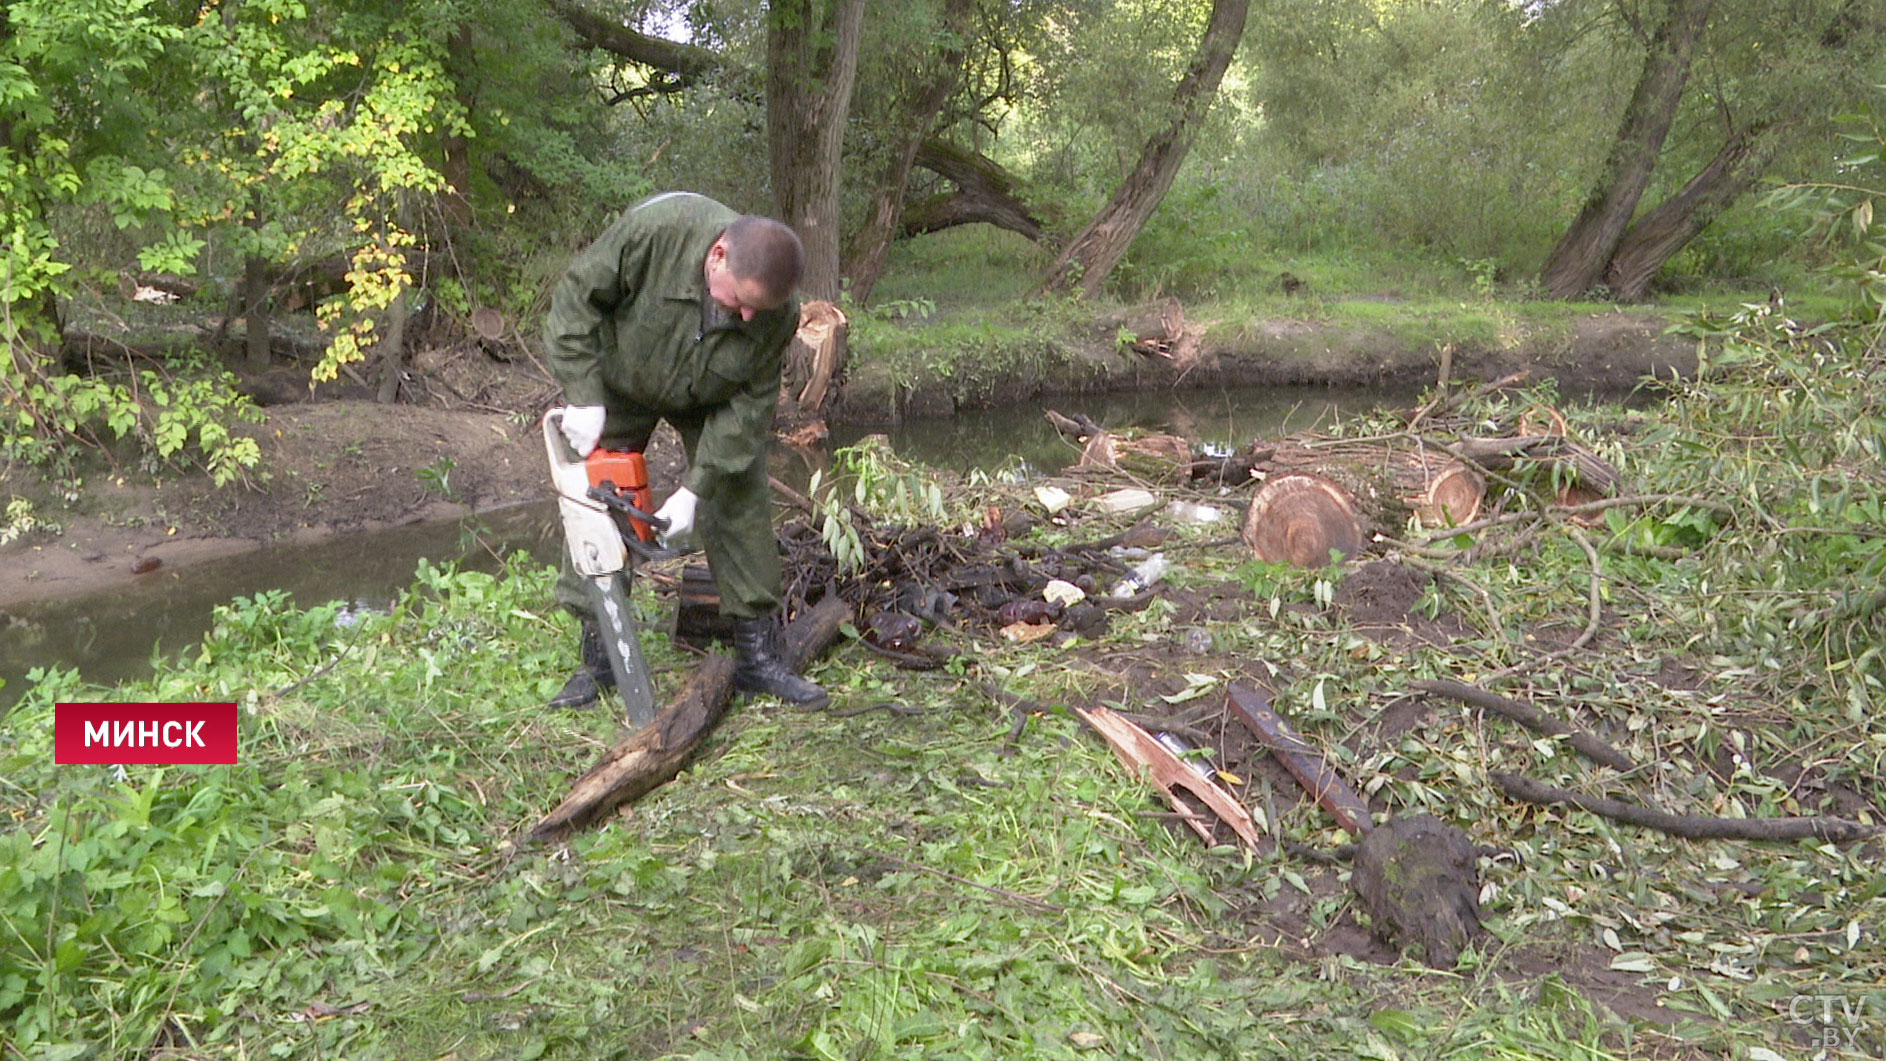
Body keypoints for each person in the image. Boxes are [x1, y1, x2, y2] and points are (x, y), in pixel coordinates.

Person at [542, 191, 826, 708]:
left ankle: (759, 659)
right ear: (717, 255)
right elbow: (574, 299)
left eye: (754, 309)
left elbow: (748, 409)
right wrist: (584, 397)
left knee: (736, 492)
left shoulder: (776, 313)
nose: (744, 317)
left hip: (710, 396)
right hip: (621, 379)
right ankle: (601, 658)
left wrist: (697, 489)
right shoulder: (657, 234)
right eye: (736, 300)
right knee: (597, 501)